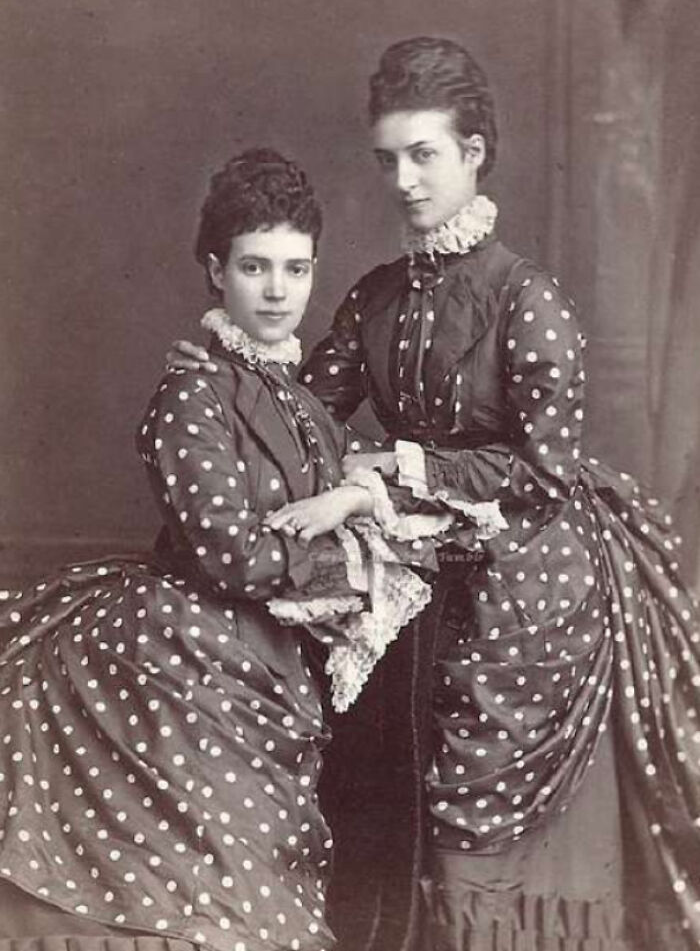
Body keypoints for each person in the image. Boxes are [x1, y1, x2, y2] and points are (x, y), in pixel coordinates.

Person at [168, 39, 700, 951]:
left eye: (426, 155)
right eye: (389, 159)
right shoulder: (376, 298)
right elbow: (308, 416)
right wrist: (223, 380)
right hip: (410, 568)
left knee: (470, 809)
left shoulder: (526, 300)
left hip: (526, 570)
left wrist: (381, 473)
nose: (405, 180)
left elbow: (544, 475)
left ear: (475, 152)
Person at [0, 147, 448, 950]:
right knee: (220, 916)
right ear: (216, 271)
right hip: (187, 665)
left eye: (296, 269)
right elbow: (232, 554)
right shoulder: (190, 393)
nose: (277, 291)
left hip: (273, 671)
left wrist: (352, 495)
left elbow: (391, 491)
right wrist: (351, 556)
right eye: (254, 267)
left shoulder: (305, 401)